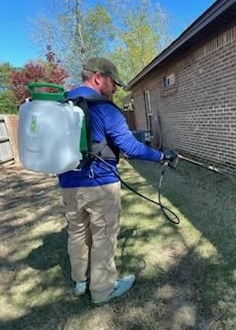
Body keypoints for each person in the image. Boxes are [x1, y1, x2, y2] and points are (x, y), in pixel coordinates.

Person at [58, 57, 173, 306]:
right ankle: (102, 290)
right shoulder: (104, 108)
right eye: (113, 83)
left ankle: (80, 282)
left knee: (76, 232)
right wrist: (160, 155)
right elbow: (130, 146)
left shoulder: (61, 104)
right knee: (104, 236)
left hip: (68, 183)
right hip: (100, 184)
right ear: (99, 78)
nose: (115, 89)